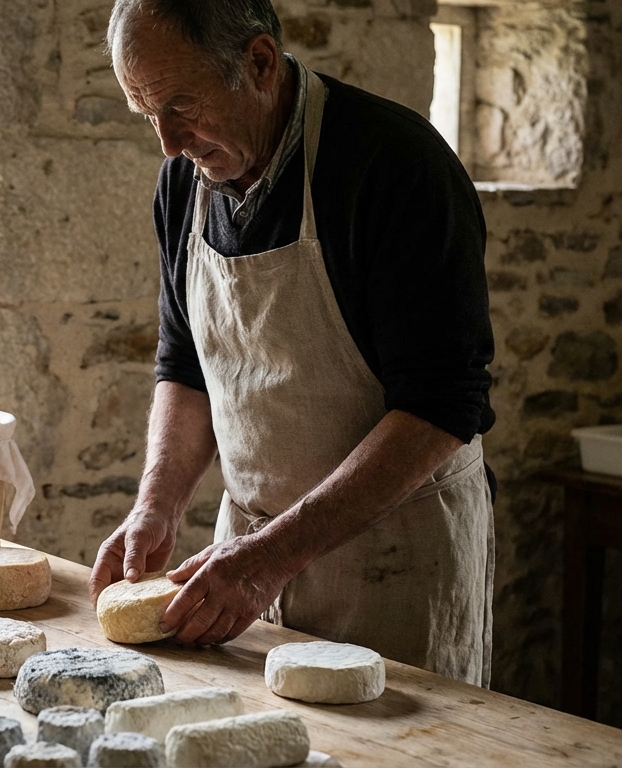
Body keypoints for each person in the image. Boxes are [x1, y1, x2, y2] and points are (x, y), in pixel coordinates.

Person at [87, 0, 496, 686]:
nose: (167, 142)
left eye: (182, 106)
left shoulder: (392, 167)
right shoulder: (182, 187)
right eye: (146, 114)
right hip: (245, 555)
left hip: (394, 563)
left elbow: (440, 406)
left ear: (260, 63)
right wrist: (156, 505)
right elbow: (186, 364)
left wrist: (269, 557)